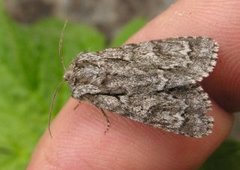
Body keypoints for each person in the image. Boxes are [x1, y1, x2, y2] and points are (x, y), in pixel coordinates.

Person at [28, 0, 240, 169]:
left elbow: (102, 105)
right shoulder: (90, 62)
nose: (68, 74)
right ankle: (195, 59)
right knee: (143, 58)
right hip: (149, 61)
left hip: (142, 98)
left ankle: (192, 109)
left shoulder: (86, 94)